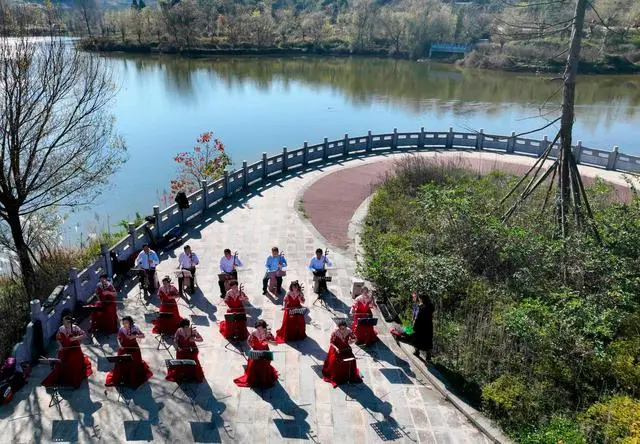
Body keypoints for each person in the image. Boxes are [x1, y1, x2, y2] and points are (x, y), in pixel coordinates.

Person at [42, 315, 92, 388]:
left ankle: (74, 379)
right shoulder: (61, 328)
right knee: (61, 360)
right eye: (63, 322)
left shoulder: (75, 328)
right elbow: (58, 339)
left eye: (66, 323)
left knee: (73, 359)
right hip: (64, 348)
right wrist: (60, 346)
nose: (64, 324)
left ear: (70, 323)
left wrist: (75, 338)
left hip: (75, 348)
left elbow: (84, 335)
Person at [105, 316, 153, 389]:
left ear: (130, 323)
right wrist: (120, 344)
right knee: (121, 361)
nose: (124, 324)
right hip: (124, 347)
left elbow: (143, 335)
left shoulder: (135, 328)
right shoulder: (121, 329)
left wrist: (134, 336)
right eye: (123, 323)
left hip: (134, 347)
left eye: (126, 323)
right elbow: (119, 337)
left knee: (134, 362)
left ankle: (132, 377)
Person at [233, 319, 278, 388]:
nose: (259, 331)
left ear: (264, 328)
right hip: (255, 352)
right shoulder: (254, 332)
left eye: (261, 329)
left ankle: (264, 380)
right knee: (253, 366)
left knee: (264, 366)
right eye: (257, 329)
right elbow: (248, 340)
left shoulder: (268, 334)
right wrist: (252, 347)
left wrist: (268, 342)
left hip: (265, 352)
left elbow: (276, 344)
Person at [322, 320, 362, 387]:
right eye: (340, 328)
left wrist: (351, 341)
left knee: (352, 360)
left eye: (343, 328)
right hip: (336, 349)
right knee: (336, 361)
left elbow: (354, 338)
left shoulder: (348, 330)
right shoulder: (335, 332)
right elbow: (331, 342)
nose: (342, 330)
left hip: (346, 348)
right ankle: (337, 377)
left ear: (346, 327)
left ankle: (349, 375)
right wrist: (336, 348)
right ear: (338, 327)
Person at [166, 319, 205, 383]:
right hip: (181, 349)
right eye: (183, 328)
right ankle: (182, 374)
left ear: (188, 326)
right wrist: (177, 347)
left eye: (186, 327)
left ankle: (191, 375)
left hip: (191, 349)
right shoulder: (179, 330)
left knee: (192, 361)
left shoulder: (193, 331)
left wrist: (194, 339)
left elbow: (201, 339)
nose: (184, 329)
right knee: (180, 360)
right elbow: (175, 340)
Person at [412, 293, 435, 360]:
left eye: (420, 298)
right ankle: (428, 355)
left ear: (422, 299)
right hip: (428, 325)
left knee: (417, 339)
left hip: (421, 326)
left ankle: (417, 352)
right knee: (428, 340)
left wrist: (414, 325)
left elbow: (418, 317)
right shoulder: (431, 306)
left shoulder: (421, 307)